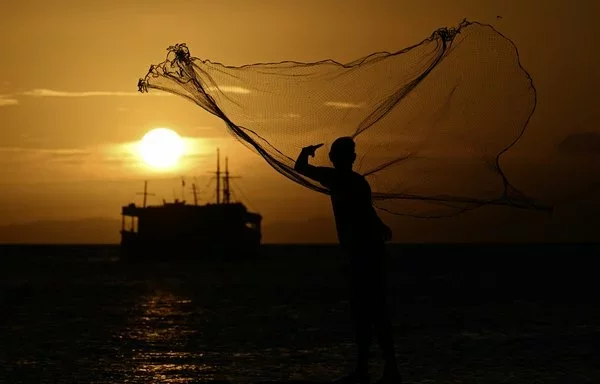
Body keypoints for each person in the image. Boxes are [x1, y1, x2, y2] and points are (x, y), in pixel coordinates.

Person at [294, 137, 402, 384]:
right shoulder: (356, 181)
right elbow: (367, 211)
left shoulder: (335, 178)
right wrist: (380, 225)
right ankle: (377, 369)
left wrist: (305, 152)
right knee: (372, 310)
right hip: (368, 251)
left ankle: (380, 370)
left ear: (333, 158)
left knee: (367, 311)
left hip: (362, 252)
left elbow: (301, 168)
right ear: (352, 158)